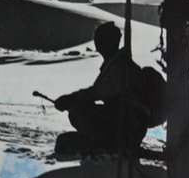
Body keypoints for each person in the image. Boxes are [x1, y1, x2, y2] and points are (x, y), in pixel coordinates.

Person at [54, 21, 150, 153]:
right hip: (127, 123)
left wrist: (73, 98)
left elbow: (102, 91)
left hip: (129, 125)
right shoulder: (114, 64)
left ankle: (108, 145)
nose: (98, 45)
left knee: (78, 110)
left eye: (100, 41)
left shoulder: (121, 66)